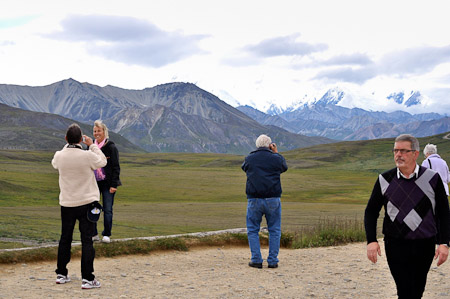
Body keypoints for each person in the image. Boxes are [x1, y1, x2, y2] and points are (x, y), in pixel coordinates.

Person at [364, 134, 450, 298]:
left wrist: (444, 242)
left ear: (415, 154)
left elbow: (444, 213)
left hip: (425, 243)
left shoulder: (433, 178)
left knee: (417, 289)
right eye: (396, 150)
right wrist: (371, 241)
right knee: (403, 289)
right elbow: (371, 211)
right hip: (395, 243)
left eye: (403, 151)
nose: (398, 155)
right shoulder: (384, 179)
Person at [52, 123, 107, 289]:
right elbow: (103, 161)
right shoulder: (87, 155)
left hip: (67, 203)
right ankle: (87, 278)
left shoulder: (59, 156)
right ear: (81, 140)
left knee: (65, 239)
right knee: (87, 240)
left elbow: (55, 162)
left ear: (66, 138)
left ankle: (61, 273)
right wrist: (92, 146)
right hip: (87, 203)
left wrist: (68, 144)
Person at [241, 134, 288, 269]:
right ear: (269, 145)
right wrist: (276, 152)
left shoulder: (250, 158)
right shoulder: (275, 158)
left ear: (257, 145)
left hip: (254, 198)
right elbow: (284, 167)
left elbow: (244, 168)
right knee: (274, 230)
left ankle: (256, 259)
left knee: (252, 230)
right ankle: (272, 260)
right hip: (273, 198)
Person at [91, 120, 121, 243]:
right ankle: (93, 234)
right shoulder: (90, 147)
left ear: (104, 132)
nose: (97, 133)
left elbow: (116, 167)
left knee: (108, 209)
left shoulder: (111, 147)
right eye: (95, 131)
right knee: (93, 208)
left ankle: (107, 235)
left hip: (108, 184)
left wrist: (114, 184)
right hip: (94, 183)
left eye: (99, 131)